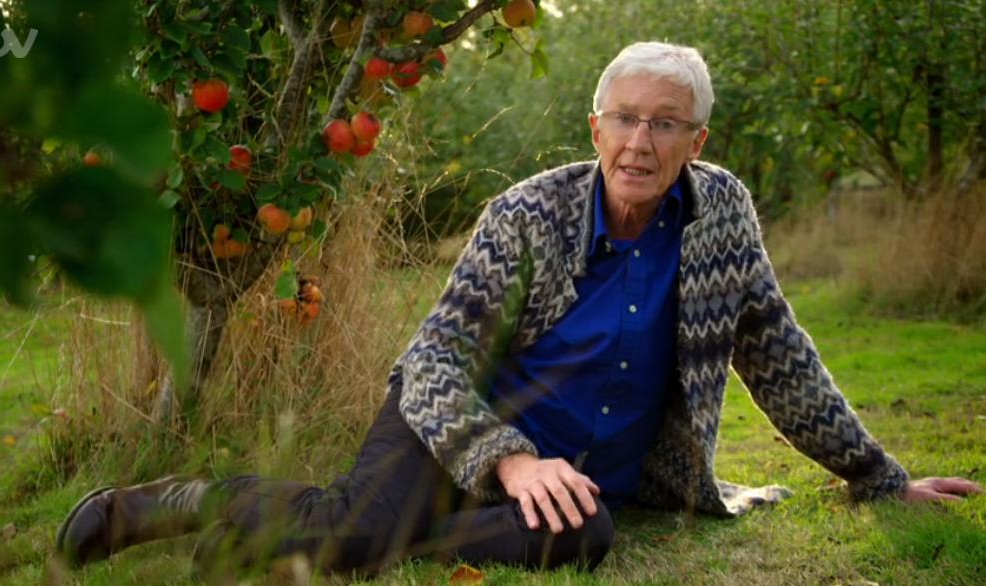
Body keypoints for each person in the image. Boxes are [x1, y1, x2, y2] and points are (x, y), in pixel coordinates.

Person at [55, 41, 983, 579]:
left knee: (588, 534)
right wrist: (506, 459)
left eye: (665, 123)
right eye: (623, 118)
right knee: (347, 535)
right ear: (594, 129)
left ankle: (401, 534)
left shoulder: (722, 216)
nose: (639, 141)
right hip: (454, 427)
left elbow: (778, 352)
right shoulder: (527, 215)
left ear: (698, 140)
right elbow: (436, 360)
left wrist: (876, 475)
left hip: (577, 481)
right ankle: (158, 505)